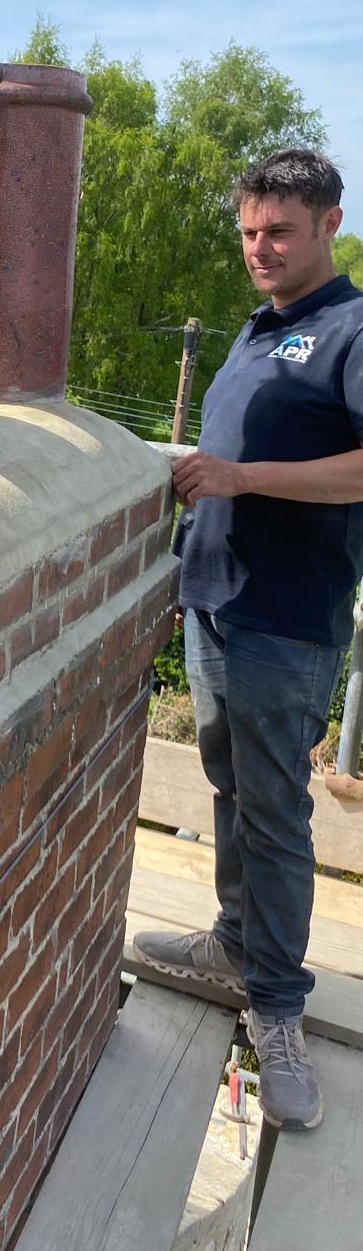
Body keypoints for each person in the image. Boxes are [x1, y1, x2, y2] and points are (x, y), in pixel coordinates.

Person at [135, 148, 363, 1132]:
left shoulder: (350, 330)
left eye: (277, 231)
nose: (258, 249)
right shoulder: (258, 330)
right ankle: (235, 943)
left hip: (285, 619)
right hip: (219, 602)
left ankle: (276, 1010)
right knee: (231, 788)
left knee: (274, 815)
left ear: (328, 225)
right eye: (247, 232)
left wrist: (242, 479)